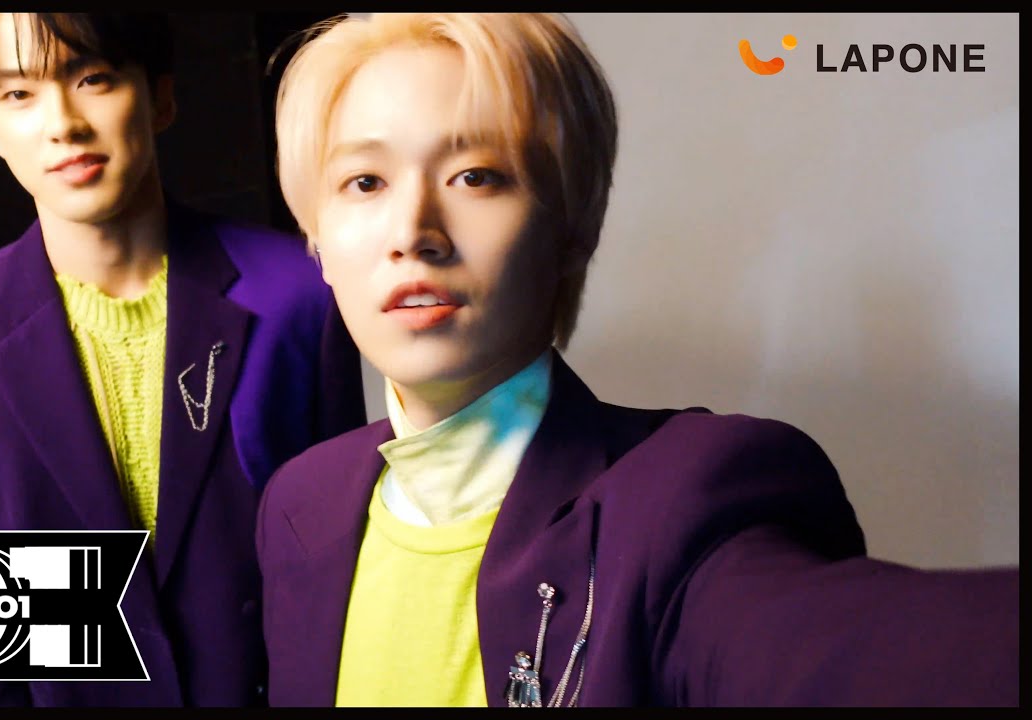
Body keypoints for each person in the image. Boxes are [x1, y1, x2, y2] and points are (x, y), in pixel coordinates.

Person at [256, 12, 1018, 707]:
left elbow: (831, 646)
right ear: (317, 242)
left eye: (476, 176)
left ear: (573, 227)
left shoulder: (693, 494)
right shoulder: (299, 504)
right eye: (364, 182)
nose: (413, 230)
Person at [0, 12, 366, 707]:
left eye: (93, 78)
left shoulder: (299, 295)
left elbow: (336, 567)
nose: (63, 124)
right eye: (19, 94)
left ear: (160, 96)